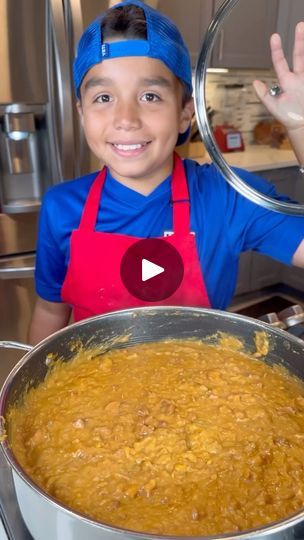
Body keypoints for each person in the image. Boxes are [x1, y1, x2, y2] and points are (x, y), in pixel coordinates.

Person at [28, 0, 304, 344]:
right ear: (82, 113)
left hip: (200, 389)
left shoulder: (227, 198)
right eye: (103, 97)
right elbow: (50, 311)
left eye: (149, 95)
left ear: (185, 112)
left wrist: (300, 127)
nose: (125, 118)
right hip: (90, 391)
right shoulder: (61, 207)